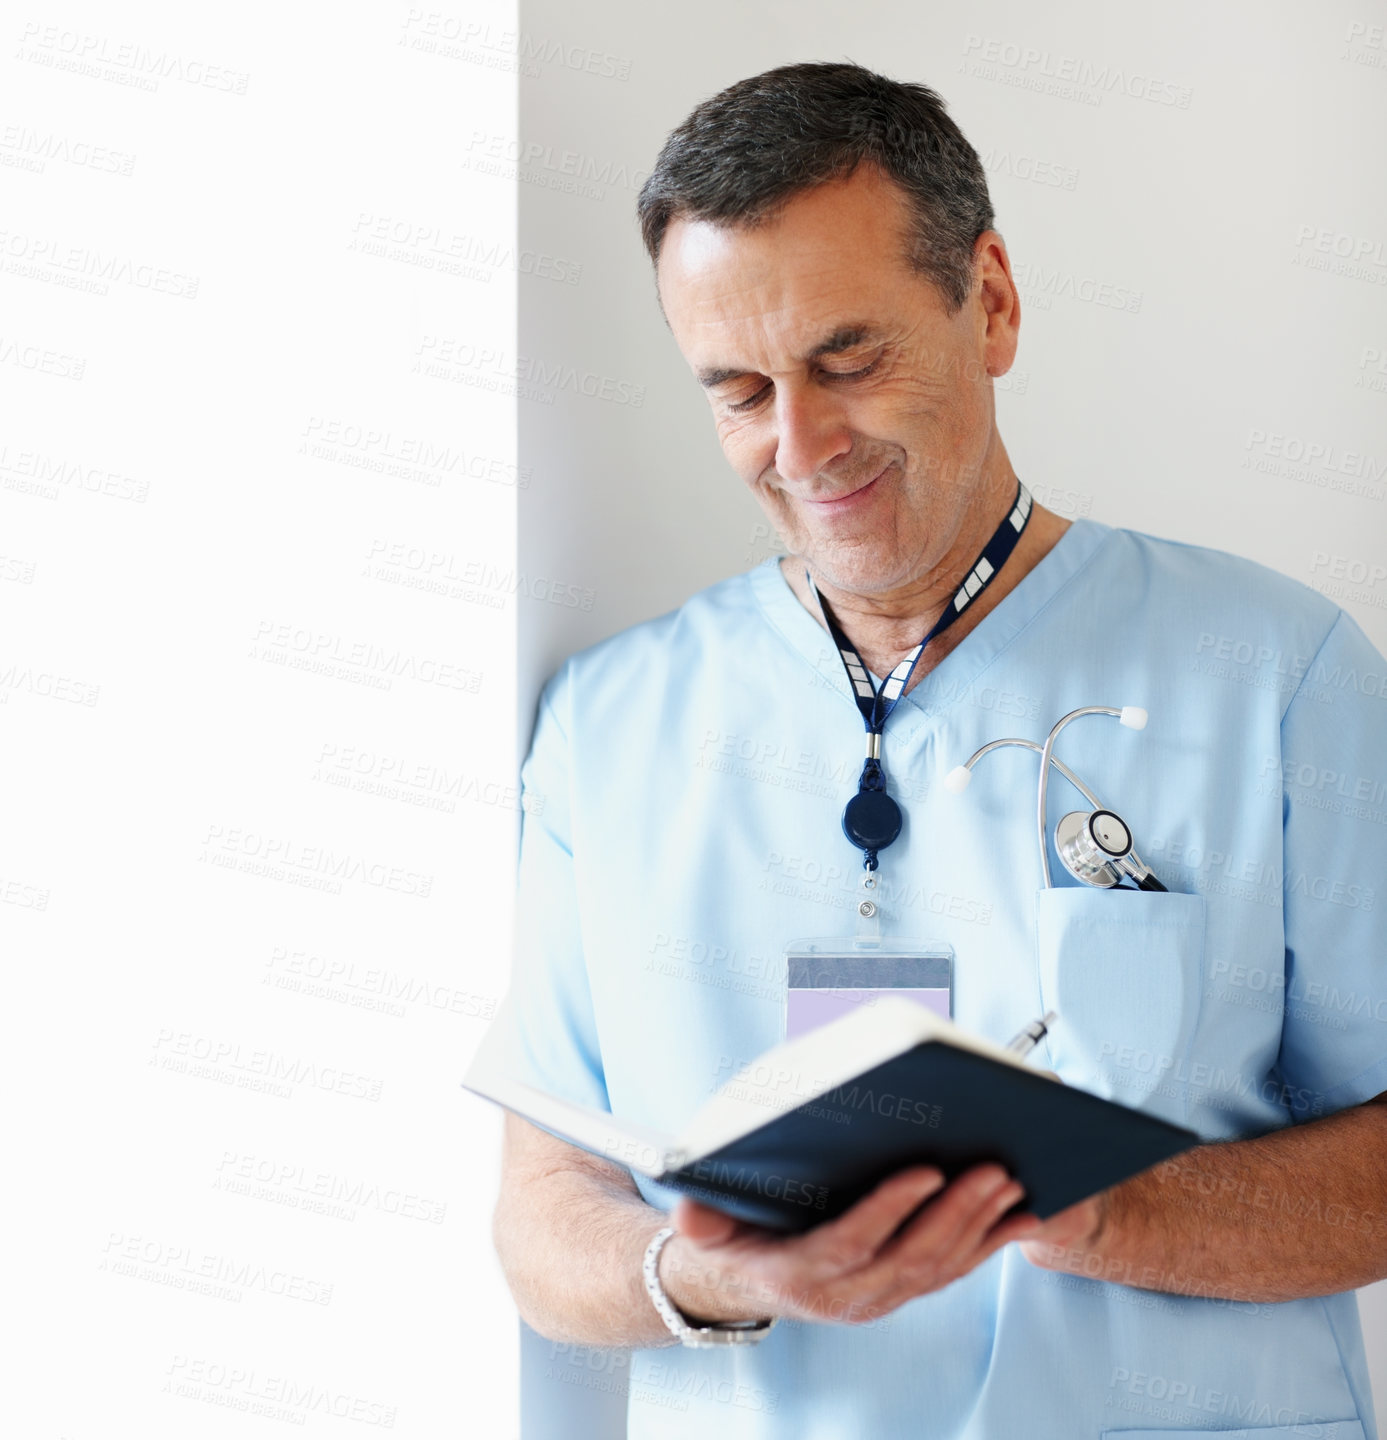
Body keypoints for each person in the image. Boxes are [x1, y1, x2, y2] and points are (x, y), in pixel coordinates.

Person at [478, 62, 1387, 1438]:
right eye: (737, 392)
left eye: (849, 360)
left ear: (994, 302)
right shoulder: (608, 730)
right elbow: (543, 1216)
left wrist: (1114, 1214)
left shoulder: (1277, 676)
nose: (802, 444)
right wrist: (702, 1275)